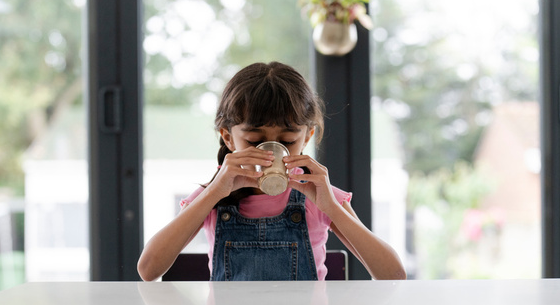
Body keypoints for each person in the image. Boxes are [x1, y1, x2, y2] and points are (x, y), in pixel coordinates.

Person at [137, 61, 406, 281]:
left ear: (307, 137)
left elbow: (393, 275)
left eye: (287, 141)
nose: (271, 152)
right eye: (254, 141)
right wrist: (214, 193)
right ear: (228, 138)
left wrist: (333, 209)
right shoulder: (214, 197)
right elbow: (148, 269)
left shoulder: (318, 197)